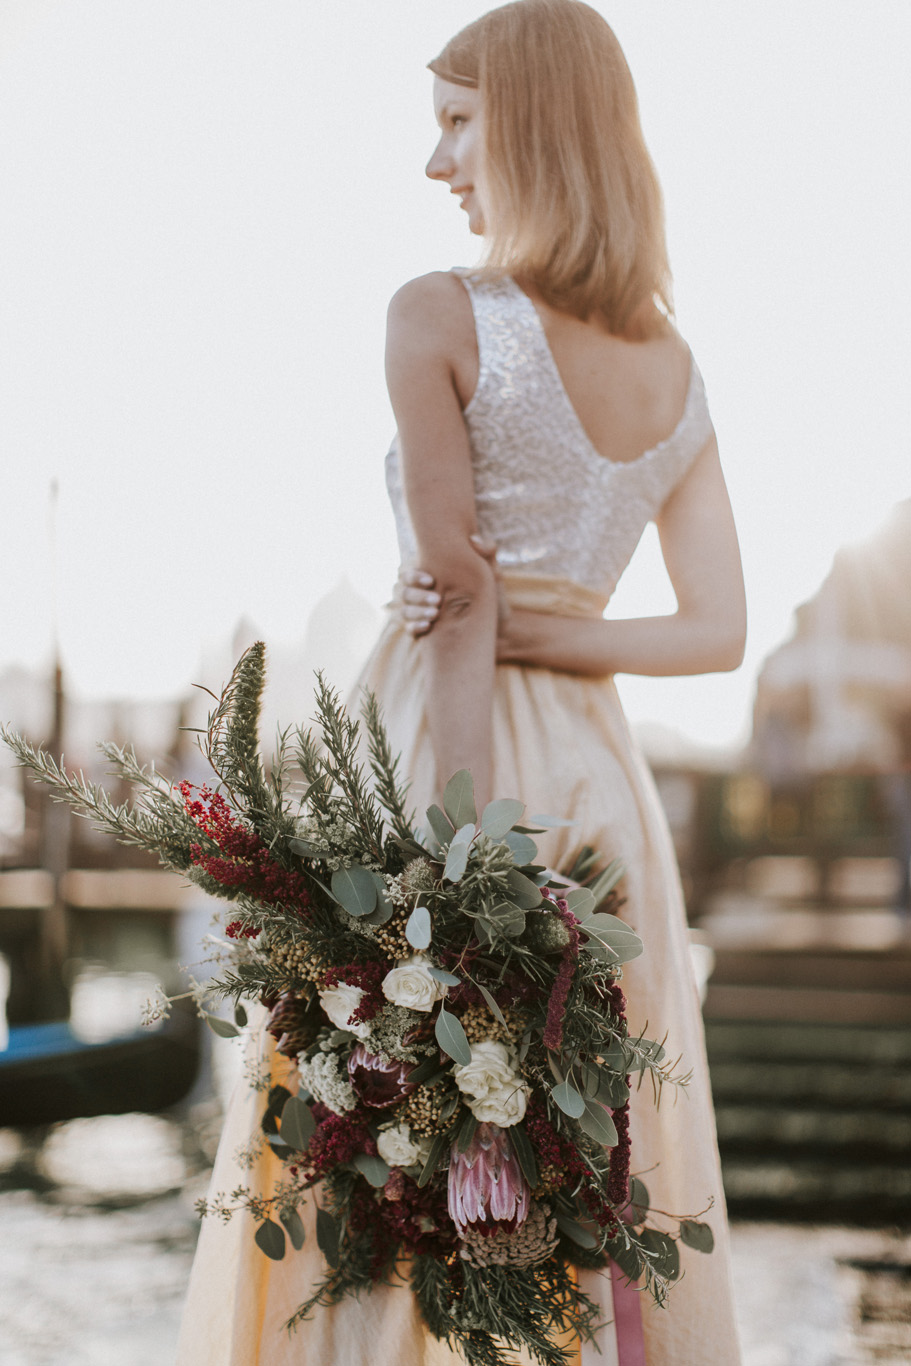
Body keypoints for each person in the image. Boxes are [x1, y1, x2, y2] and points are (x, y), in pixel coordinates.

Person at [176, 2, 745, 1361]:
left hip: (449, 743)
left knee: (374, 1134)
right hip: (602, 789)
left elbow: (466, 595)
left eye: (454, 120)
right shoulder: (674, 365)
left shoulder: (437, 312)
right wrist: (565, 630)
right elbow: (716, 630)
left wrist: (458, 875)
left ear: (534, 123)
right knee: (597, 1146)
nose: (436, 163)